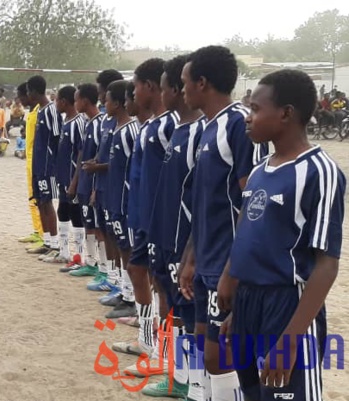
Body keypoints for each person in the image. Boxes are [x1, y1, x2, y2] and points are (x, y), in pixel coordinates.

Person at [225, 69, 343, 401]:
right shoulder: (261, 169)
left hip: (288, 307)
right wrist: (239, 309)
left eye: (256, 109)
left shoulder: (319, 172)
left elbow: (326, 264)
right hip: (250, 303)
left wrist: (290, 339)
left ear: (286, 114)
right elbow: (253, 239)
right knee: (253, 393)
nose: (248, 118)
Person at [178, 45, 267, 401]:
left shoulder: (237, 125)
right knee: (206, 348)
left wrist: (233, 269)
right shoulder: (206, 129)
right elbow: (205, 203)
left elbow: (252, 205)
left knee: (222, 357)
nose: (183, 90)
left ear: (202, 83)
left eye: (186, 82)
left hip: (228, 266)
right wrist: (191, 257)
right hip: (206, 261)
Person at [140, 53, 203, 400]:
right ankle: (173, 369)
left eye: (166, 88)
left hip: (185, 242)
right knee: (169, 303)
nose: (163, 96)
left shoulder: (199, 133)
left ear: (178, 90)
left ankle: (189, 380)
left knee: (188, 314)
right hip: (163, 235)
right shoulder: (177, 129)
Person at [116, 59, 170, 372]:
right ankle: (148, 342)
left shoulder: (168, 127)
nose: (133, 93)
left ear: (150, 86)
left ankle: (161, 352)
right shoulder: (150, 126)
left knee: (160, 284)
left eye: (135, 86)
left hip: (158, 221)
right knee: (140, 272)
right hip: (141, 217)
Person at [80, 70, 124, 304]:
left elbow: (121, 163)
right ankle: (111, 275)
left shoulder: (126, 127)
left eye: (102, 92)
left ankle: (120, 283)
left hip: (117, 191)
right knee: (105, 231)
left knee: (117, 237)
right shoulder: (107, 122)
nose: (99, 95)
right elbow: (102, 153)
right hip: (102, 186)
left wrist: (97, 169)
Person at [102, 79, 139, 323]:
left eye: (107, 99)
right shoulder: (116, 129)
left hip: (127, 201)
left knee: (130, 249)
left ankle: (133, 300)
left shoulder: (131, 131)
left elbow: (134, 169)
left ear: (118, 103)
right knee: (121, 246)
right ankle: (126, 293)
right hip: (115, 197)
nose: (104, 103)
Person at [69, 83, 109, 286]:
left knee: (99, 227)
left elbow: (100, 157)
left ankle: (104, 269)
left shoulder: (101, 123)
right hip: (85, 182)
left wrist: (94, 187)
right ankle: (91, 262)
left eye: (76, 100)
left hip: (94, 184)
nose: (75, 103)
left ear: (84, 101)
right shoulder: (88, 123)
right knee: (89, 225)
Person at [46, 86, 87, 268]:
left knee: (76, 214)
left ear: (63, 101)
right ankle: (64, 252)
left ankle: (79, 256)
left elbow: (81, 152)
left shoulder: (79, 122)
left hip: (72, 178)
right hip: (63, 177)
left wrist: (75, 180)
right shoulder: (66, 121)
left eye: (56, 100)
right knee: (63, 211)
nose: (55, 104)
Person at [28, 76, 61, 258]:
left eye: (28, 92)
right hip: (38, 165)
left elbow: (58, 139)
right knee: (40, 201)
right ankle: (47, 241)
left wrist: (55, 166)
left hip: (48, 166)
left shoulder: (51, 111)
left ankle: (55, 245)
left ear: (33, 92)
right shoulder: (40, 111)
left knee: (47, 202)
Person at [16, 82, 44, 248]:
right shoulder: (31, 112)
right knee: (31, 197)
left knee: (38, 198)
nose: (20, 100)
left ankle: (43, 234)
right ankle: (36, 229)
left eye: (21, 96)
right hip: (29, 159)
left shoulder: (41, 111)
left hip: (37, 161)